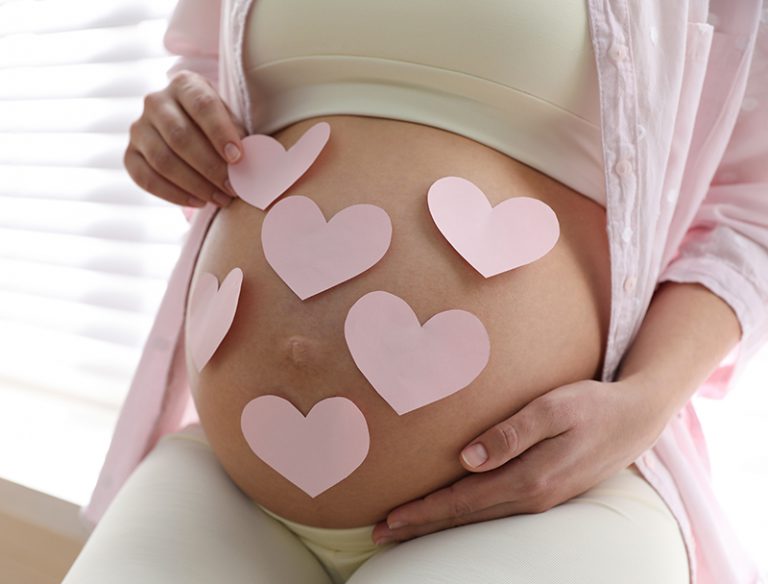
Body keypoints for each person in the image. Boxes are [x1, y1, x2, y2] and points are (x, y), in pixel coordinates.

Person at [63, 1, 768, 583]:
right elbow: (209, 82)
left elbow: (749, 216)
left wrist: (643, 402)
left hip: (545, 498)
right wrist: (173, 131)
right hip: (234, 485)